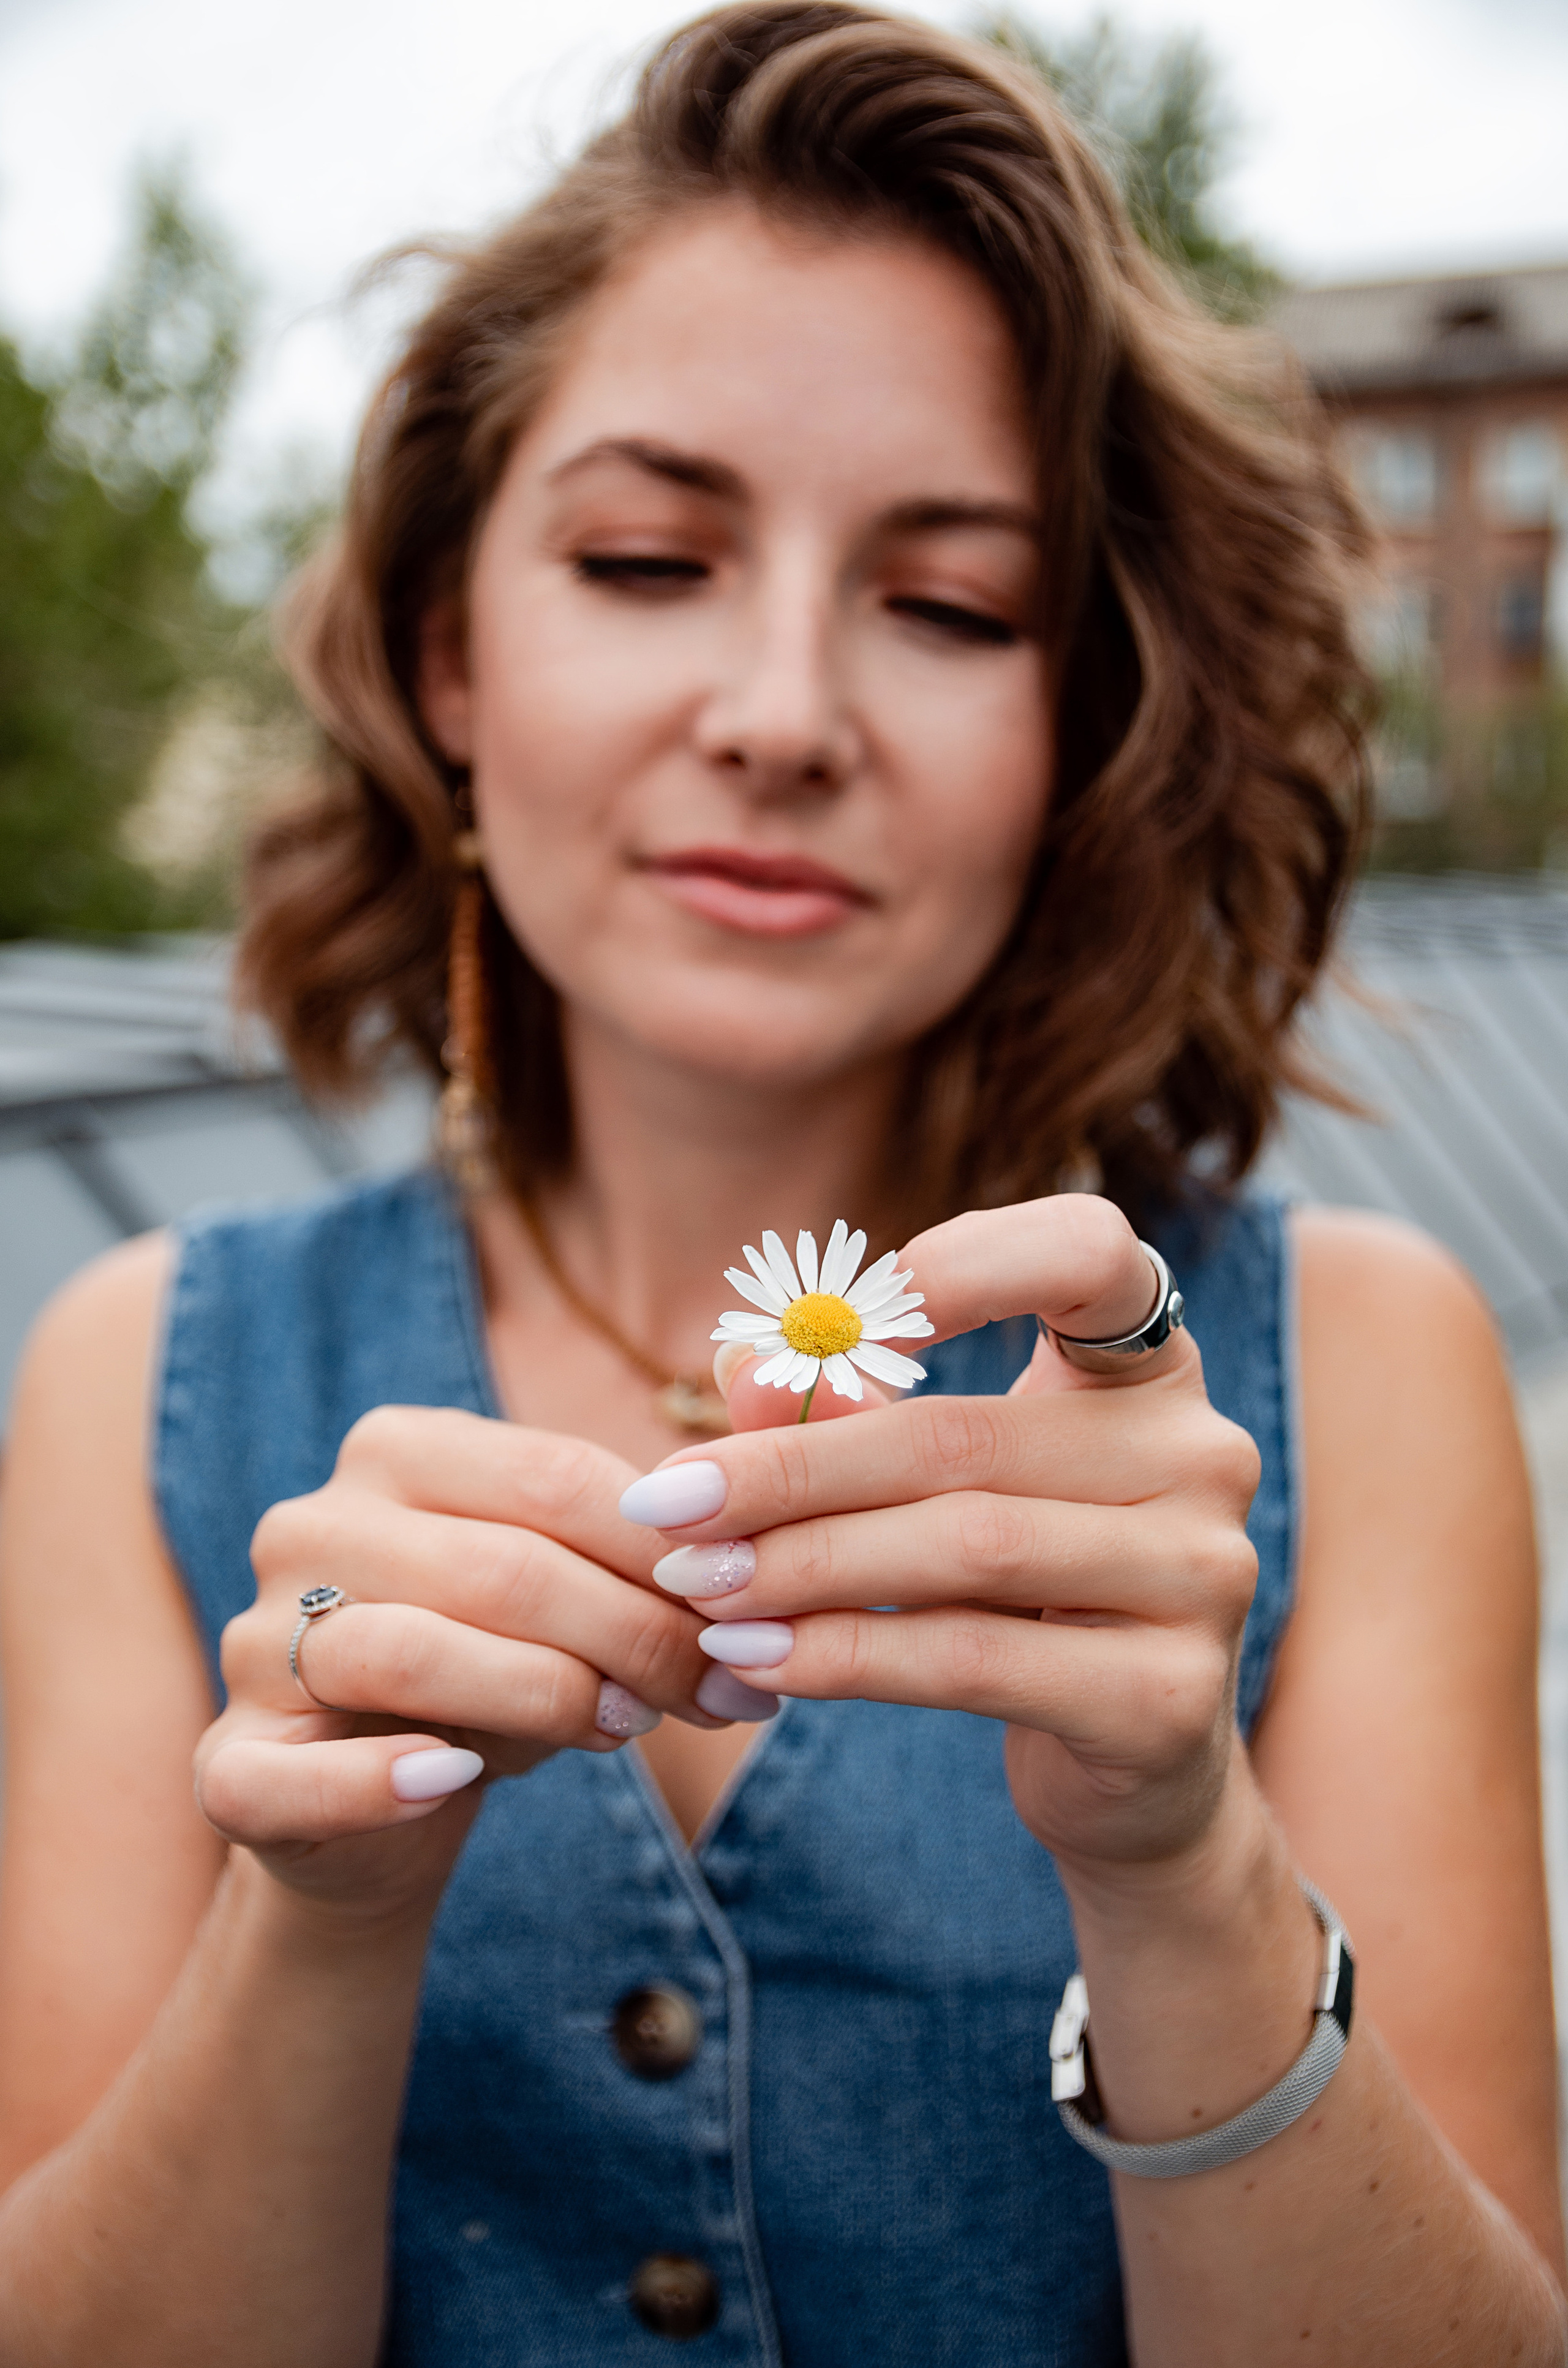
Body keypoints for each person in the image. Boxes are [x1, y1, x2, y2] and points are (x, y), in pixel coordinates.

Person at [0, 6, 1561, 2361]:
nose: (785, 709)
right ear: (451, 654)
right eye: (647, 557)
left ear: (1079, 729)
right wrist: (316, 1914)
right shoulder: (141, 1364)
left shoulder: (1357, 1364)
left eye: (947, 605)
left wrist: (1176, 1862)